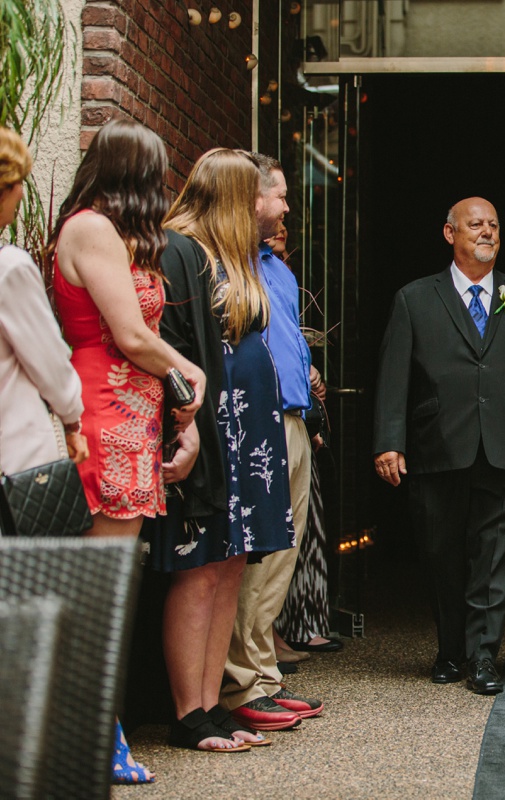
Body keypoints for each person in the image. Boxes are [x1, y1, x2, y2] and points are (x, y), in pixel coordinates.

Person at [47, 117, 206, 785]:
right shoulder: (88, 228)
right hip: (105, 410)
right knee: (101, 584)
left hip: (133, 413)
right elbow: (131, 335)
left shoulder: (114, 235)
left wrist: (175, 412)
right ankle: (90, 731)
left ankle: (91, 726)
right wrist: (188, 372)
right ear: (133, 175)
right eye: (155, 173)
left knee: (113, 582)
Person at [148, 147, 297, 750]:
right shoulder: (180, 251)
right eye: (267, 194)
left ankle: (213, 703)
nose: (279, 205)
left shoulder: (239, 257)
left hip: (250, 427)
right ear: (236, 198)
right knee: (199, 564)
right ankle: (189, 712)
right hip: (212, 425)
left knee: (232, 563)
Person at [374, 197, 505, 695]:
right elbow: (394, 373)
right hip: (436, 445)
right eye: (475, 225)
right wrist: (389, 440)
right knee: (441, 554)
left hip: (504, 446)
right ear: (450, 234)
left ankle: (484, 654)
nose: (486, 231)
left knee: (493, 557)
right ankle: (451, 648)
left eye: (493, 224)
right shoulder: (415, 298)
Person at [221, 152, 324, 730]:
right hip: (256, 423)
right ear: (250, 197)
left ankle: (264, 673)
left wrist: (306, 368)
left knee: (282, 555)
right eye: (279, 195)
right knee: (254, 555)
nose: (286, 207)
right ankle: (241, 682)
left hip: (294, 420)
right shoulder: (225, 262)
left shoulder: (276, 267)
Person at [0, 126, 87, 488]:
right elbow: (49, 359)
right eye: (18, 181)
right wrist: (72, 420)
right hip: (13, 456)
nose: (22, 192)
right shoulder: (10, 269)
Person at [271, 225, 337, 662]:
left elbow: (291, 343)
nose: (282, 228)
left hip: (297, 418)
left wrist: (311, 375)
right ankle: (270, 638)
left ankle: (293, 626)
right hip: (272, 419)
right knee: (276, 536)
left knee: (302, 533)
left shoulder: (282, 279)